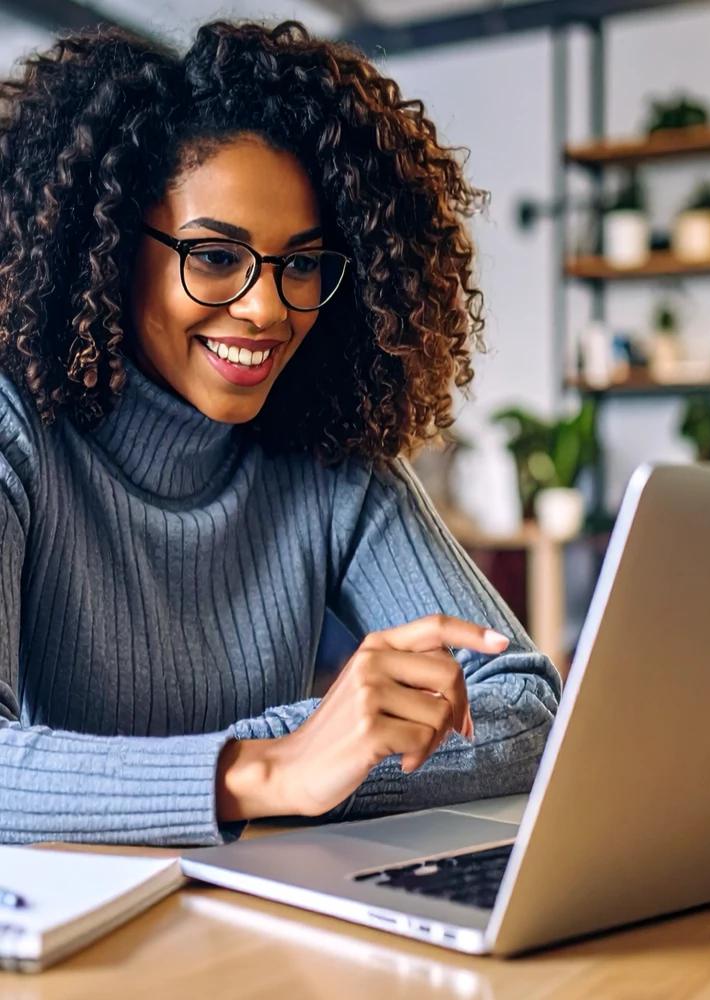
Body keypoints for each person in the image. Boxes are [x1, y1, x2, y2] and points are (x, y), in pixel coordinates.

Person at [0, 19, 561, 846]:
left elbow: (525, 705)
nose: (267, 308)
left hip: (259, 919)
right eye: (217, 257)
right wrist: (268, 766)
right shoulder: (18, 430)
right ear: (112, 248)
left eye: (300, 264)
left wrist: (299, 766)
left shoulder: (330, 460)